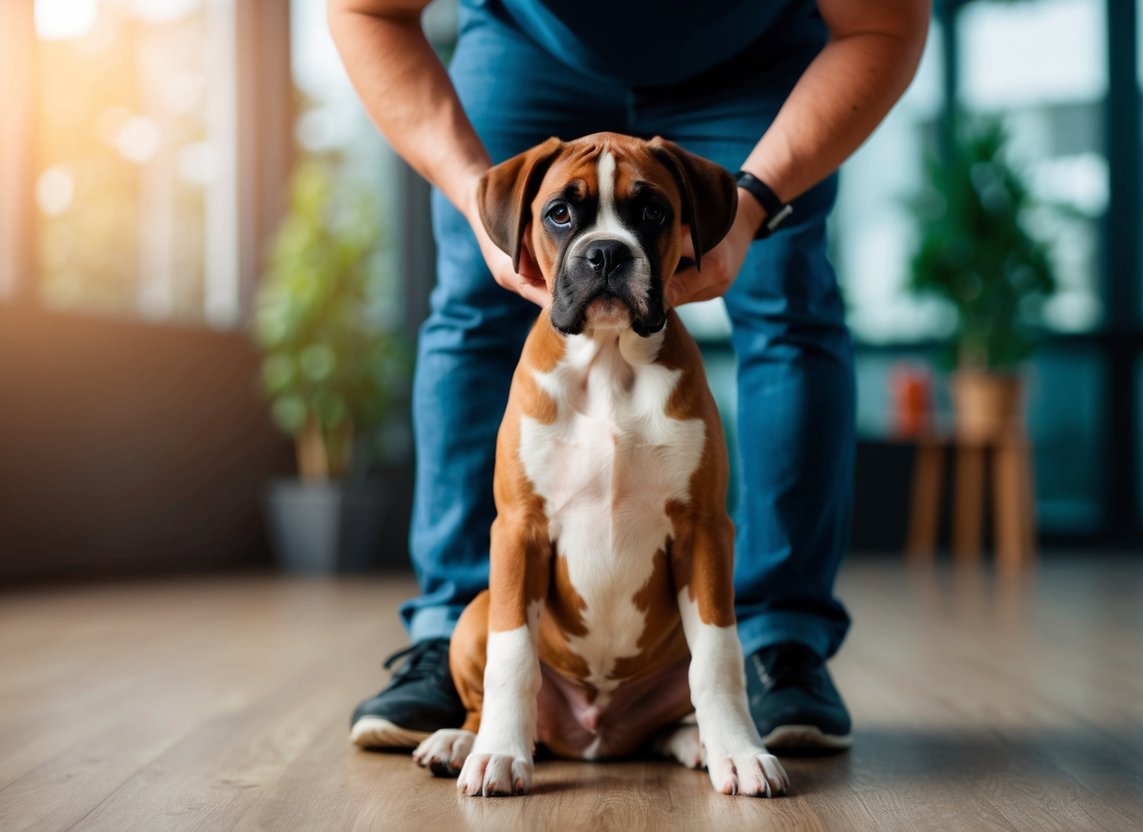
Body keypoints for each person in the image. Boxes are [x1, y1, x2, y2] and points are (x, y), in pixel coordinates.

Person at [331, 0, 929, 751]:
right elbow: (366, 12)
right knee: (473, 298)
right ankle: (455, 634)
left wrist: (754, 204)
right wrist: (470, 195)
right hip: (526, 49)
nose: (603, 249)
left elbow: (883, 25)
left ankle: (781, 642)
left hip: (754, 59)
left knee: (786, 299)